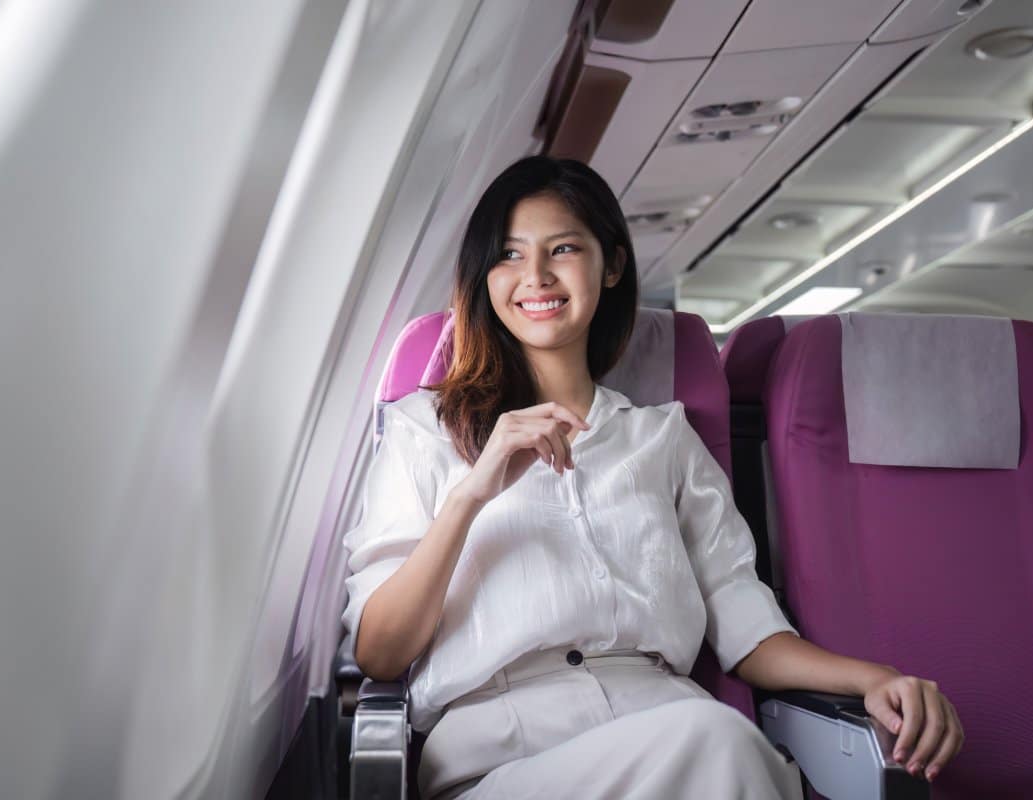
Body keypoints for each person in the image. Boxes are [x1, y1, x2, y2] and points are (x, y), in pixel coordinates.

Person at [341, 155, 963, 799]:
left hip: (665, 724)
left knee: (720, 745)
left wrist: (873, 679)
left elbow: (746, 627)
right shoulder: (425, 428)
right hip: (504, 756)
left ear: (609, 265)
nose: (536, 277)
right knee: (722, 745)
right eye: (508, 255)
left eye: (563, 249)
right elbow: (382, 654)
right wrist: (473, 493)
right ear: (483, 276)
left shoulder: (663, 439)